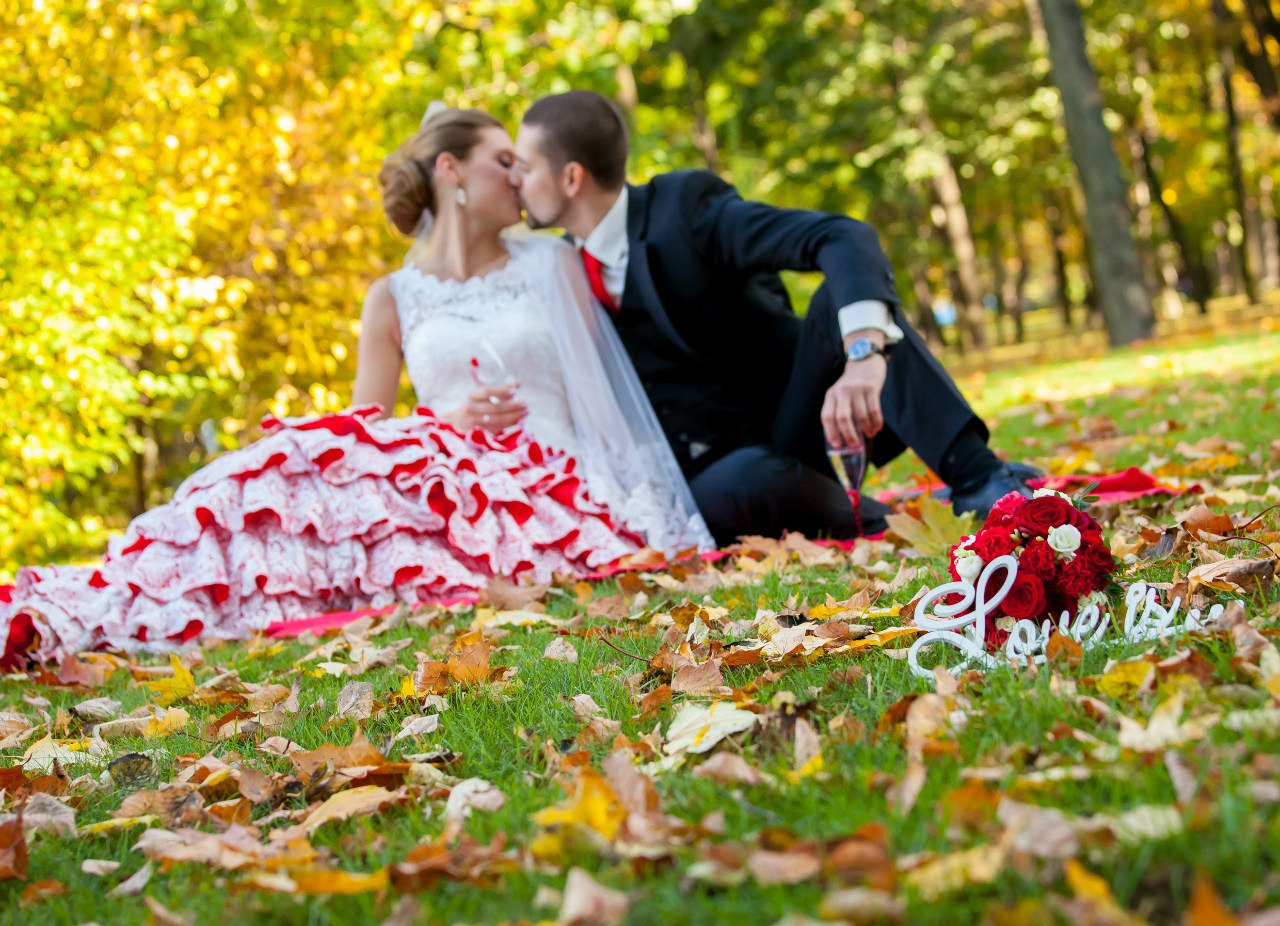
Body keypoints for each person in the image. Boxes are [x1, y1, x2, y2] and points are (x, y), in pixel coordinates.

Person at [0, 106, 711, 667]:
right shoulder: (393, 295)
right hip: (442, 464)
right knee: (291, 461)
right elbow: (364, 431)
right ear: (450, 171)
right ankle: (132, 591)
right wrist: (445, 421)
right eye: (504, 163)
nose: (522, 179)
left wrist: (643, 511)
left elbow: (601, 400)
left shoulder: (550, 263)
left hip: (544, 480)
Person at [511, 90, 1038, 545]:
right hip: (705, 474)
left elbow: (843, 237)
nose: (517, 182)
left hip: (792, 421)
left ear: (572, 177)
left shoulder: (685, 210)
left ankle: (980, 480)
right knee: (745, 484)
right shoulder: (557, 267)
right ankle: (895, 521)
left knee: (846, 301)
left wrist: (863, 355)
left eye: (526, 167)